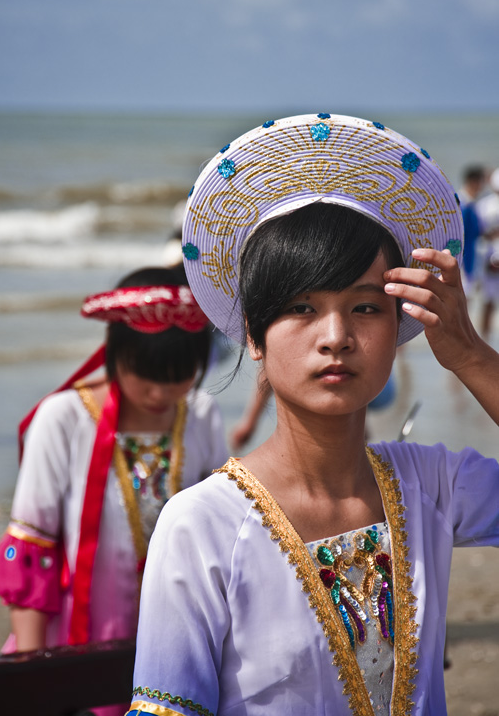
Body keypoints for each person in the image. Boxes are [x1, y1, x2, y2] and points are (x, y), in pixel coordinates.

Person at [126, 115, 499, 716]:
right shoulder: (200, 525)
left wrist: (471, 355)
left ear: (401, 320)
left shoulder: (432, 487)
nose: (336, 336)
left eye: (365, 306)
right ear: (253, 334)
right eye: (301, 306)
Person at [0, 266, 228, 712]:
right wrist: (37, 672)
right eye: (145, 374)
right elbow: (34, 546)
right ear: (113, 354)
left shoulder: (201, 414)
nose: (160, 392)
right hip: (78, 636)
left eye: (177, 377)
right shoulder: (64, 419)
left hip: (174, 632)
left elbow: (216, 527)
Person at [477, 167, 499, 338]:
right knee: (488, 301)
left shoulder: (483, 205)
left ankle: (484, 338)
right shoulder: (484, 206)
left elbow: (479, 235)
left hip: (489, 258)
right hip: (491, 258)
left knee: (488, 301)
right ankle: (485, 337)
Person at [458, 165, 486, 297]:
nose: (482, 186)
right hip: (464, 260)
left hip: (470, 258)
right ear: (473, 181)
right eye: (481, 182)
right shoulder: (464, 204)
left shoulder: (468, 203)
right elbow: (460, 235)